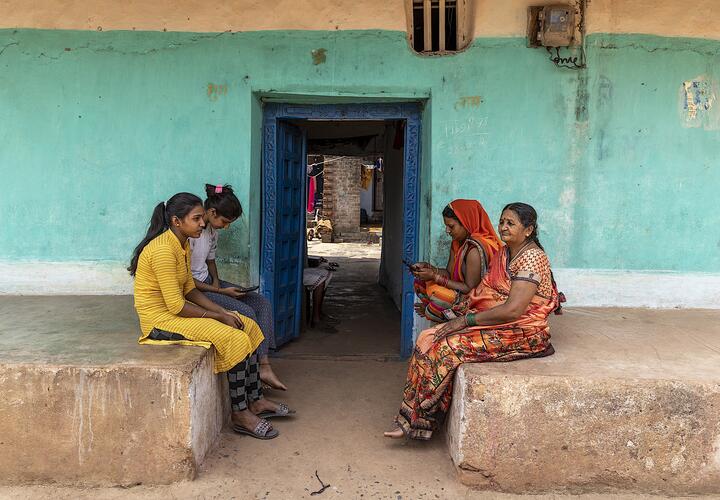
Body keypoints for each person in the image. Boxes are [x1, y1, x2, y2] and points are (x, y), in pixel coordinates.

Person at [385, 202, 560, 440]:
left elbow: (513, 310)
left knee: (448, 347)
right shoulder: (505, 252)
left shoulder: (532, 258)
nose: (503, 228)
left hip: (523, 331)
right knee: (428, 336)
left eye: (511, 223)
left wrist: (464, 321)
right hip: (497, 318)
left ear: (528, 230)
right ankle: (411, 417)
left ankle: (422, 418)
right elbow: (486, 291)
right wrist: (462, 313)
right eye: (502, 222)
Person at [129, 192, 290, 440]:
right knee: (234, 338)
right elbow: (176, 306)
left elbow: (189, 290)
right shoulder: (162, 250)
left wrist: (222, 310)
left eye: (202, 218)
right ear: (176, 221)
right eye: (196, 219)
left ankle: (256, 400)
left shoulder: (180, 244)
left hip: (175, 312)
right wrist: (215, 317)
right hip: (159, 321)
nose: (202, 224)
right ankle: (240, 413)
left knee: (247, 324)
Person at [190, 184, 287, 392]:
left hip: (209, 284)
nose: (225, 227)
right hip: (196, 291)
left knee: (261, 303)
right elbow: (185, 283)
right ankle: (255, 375)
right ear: (212, 212)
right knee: (246, 313)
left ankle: (264, 364)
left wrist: (216, 281)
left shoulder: (211, 232)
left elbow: (211, 261)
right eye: (224, 221)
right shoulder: (189, 236)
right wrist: (220, 291)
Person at [412, 200, 502, 322]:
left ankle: (444, 313)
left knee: (436, 294)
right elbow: (449, 274)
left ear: (466, 223)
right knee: (420, 282)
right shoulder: (457, 243)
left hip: (478, 300)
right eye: (446, 226)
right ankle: (437, 310)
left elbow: (469, 289)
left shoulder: (474, 250)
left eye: (451, 226)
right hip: (462, 293)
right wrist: (429, 269)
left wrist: (434, 276)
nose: (447, 231)